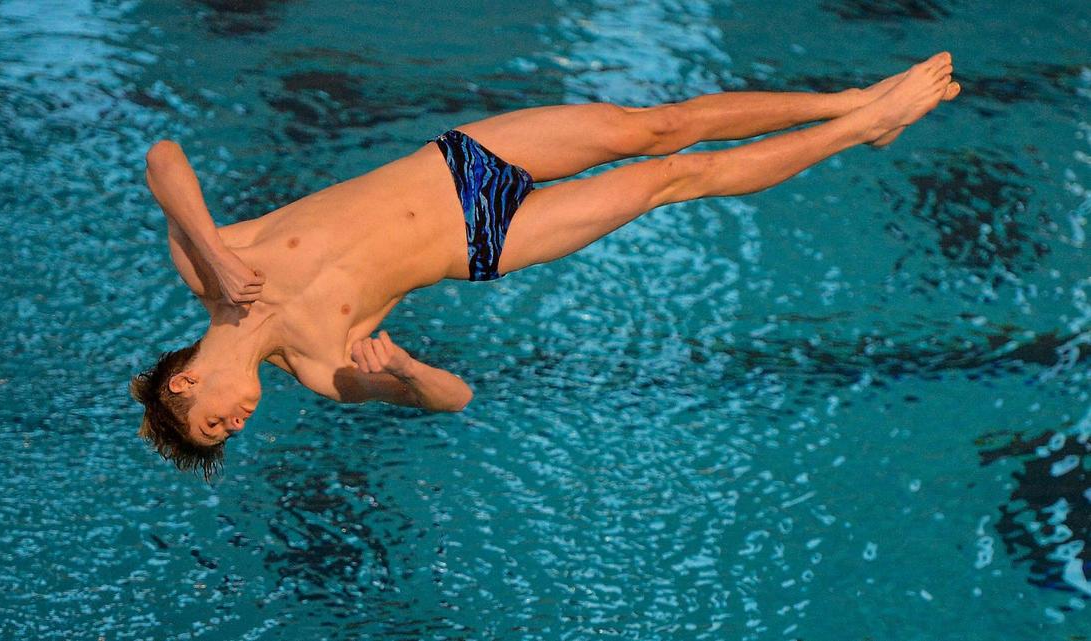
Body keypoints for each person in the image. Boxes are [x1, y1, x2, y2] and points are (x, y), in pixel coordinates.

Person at [132, 52, 960, 479]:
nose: (236, 425)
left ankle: (853, 105)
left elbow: (164, 158)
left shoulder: (208, 268)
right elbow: (455, 401)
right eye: (227, 436)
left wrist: (211, 246)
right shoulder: (318, 366)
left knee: (658, 127)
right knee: (674, 179)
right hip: (491, 238)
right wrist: (413, 372)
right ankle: (861, 127)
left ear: (184, 383)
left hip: (462, 163)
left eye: (215, 423)